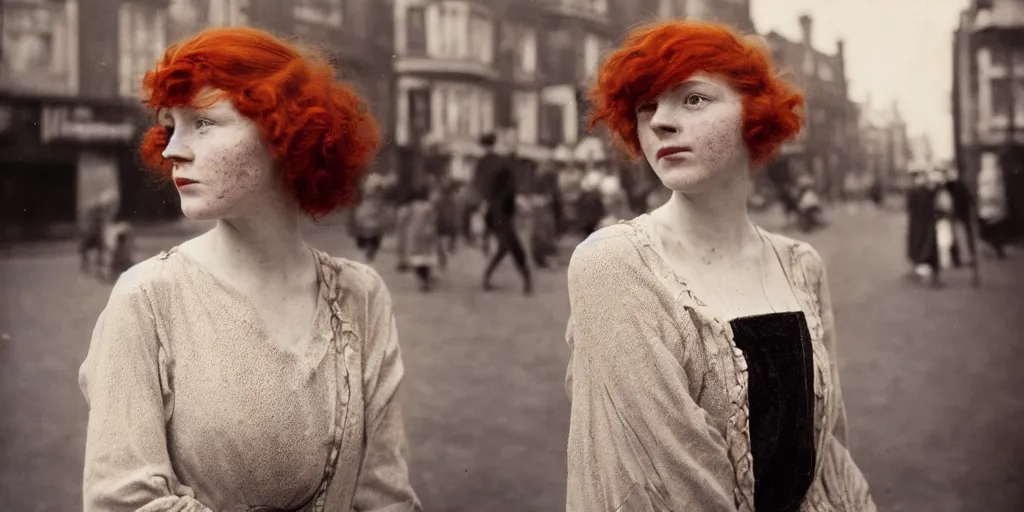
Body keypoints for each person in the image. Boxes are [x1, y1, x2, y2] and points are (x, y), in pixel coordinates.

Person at [78, 27, 420, 511]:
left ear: (284, 131)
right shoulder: (147, 298)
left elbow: (386, 496)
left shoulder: (362, 295)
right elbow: (120, 501)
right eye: (169, 125)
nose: (172, 147)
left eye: (202, 123)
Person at [565, 20, 875, 511]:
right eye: (646, 106)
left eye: (693, 99)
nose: (661, 122)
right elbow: (670, 478)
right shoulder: (616, 264)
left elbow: (829, 451)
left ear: (755, 112)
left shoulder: (801, 265)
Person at [479, 133, 533, 294]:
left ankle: (487, 276)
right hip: (501, 211)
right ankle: (526, 279)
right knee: (512, 246)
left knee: (505, 247)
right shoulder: (503, 163)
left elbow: (482, 190)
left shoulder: (482, 163)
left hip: (492, 210)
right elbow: (510, 189)